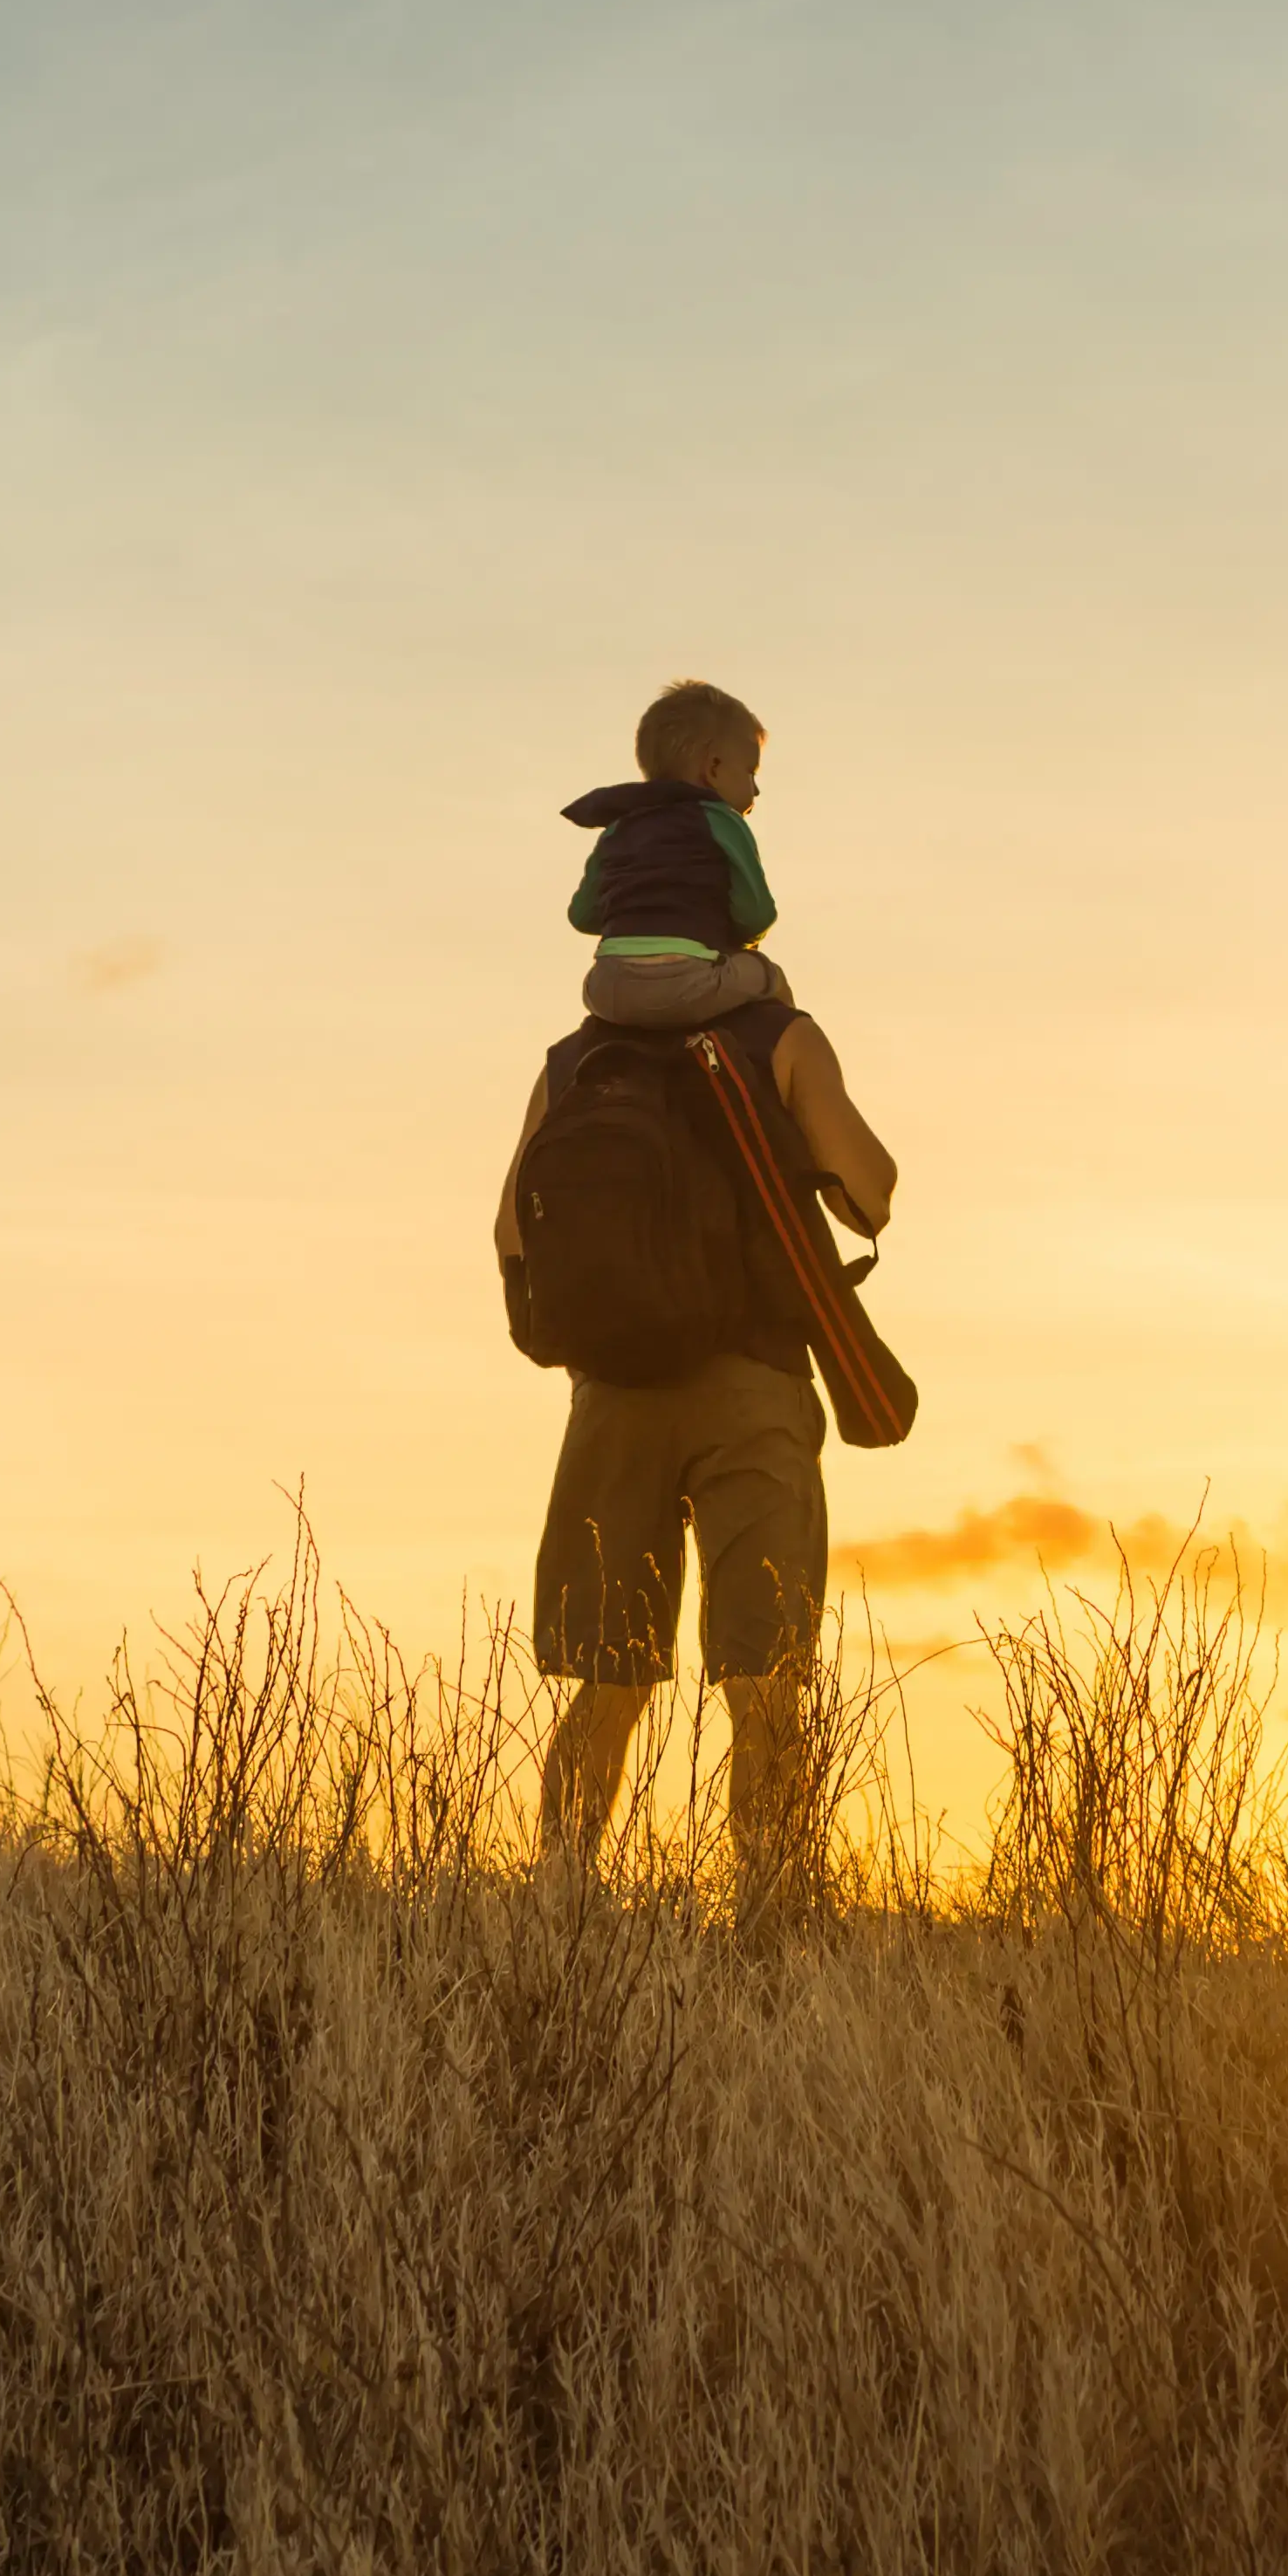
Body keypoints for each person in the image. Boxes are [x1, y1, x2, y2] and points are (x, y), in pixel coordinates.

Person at [498, 690, 900, 1909]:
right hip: (752, 1387)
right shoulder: (780, 1033)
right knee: (766, 1673)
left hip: (610, 1391)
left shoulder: (577, 1060)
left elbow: (514, 1220)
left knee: (607, 1676)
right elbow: (873, 1192)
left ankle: (562, 1907)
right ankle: (771, 1915)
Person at [564, 679, 792, 1029]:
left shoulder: (617, 826)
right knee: (769, 977)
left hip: (605, 988)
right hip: (685, 983)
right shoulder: (722, 821)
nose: (756, 789)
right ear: (714, 768)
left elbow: (582, 916)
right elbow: (757, 914)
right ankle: (783, 1068)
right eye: (750, 772)